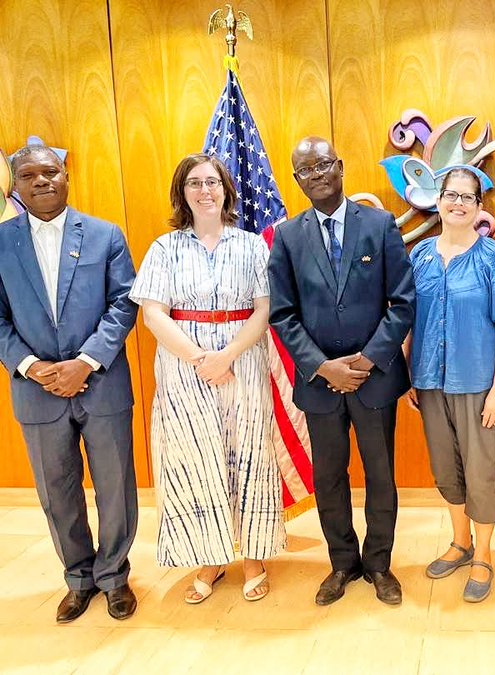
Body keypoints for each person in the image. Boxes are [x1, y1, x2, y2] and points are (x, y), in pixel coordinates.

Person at [130, 153, 285, 604]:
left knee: (250, 454)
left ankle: (254, 555)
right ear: (182, 193)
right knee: (196, 461)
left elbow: (265, 308)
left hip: (244, 363)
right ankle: (210, 557)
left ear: (226, 190)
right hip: (184, 368)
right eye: (194, 183)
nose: (204, 190)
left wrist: (229, 355)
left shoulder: (252, 245)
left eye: (212, 182)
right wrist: (201, 358)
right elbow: (153, 313)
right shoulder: (164, 248)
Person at [268, 137, 415, 606]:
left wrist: (368, 359)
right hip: (321, 383)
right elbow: (283, 314)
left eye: (324, 164)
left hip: (374, 379)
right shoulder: (288, 237)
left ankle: (379, 564)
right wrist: (323, 366)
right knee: (329, 478)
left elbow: (403, 300)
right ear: (297, 180)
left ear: (341, 166)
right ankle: (342, 563)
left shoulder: (380, 224)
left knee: (380, 474)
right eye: (306, 169)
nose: (317, 174)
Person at [0, 145, 139, 622]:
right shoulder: (1, 242)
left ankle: (115, 576)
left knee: (115, 486)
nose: (41, 181)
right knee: (57, 491)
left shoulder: (104, 235)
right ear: (15, 185)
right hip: (35, 391)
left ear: (66, 177)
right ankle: (79, 579)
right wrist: (30, 366)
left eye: (50, 171)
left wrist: (86, 361)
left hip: (101, 385)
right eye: (29, 175)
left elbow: (125, 303)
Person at [406, 167, 495, 602]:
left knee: (481, 472)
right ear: (437, 201)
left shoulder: (493, 259)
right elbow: (407, 321)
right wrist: (409, 376)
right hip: (429, 382)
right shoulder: (418, 256)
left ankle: (485, 554)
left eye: (467, 197)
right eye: (450, 195)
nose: (457, 203)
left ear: (479, 206)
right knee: (445, 469)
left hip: (478, 385)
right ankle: (461, 543)